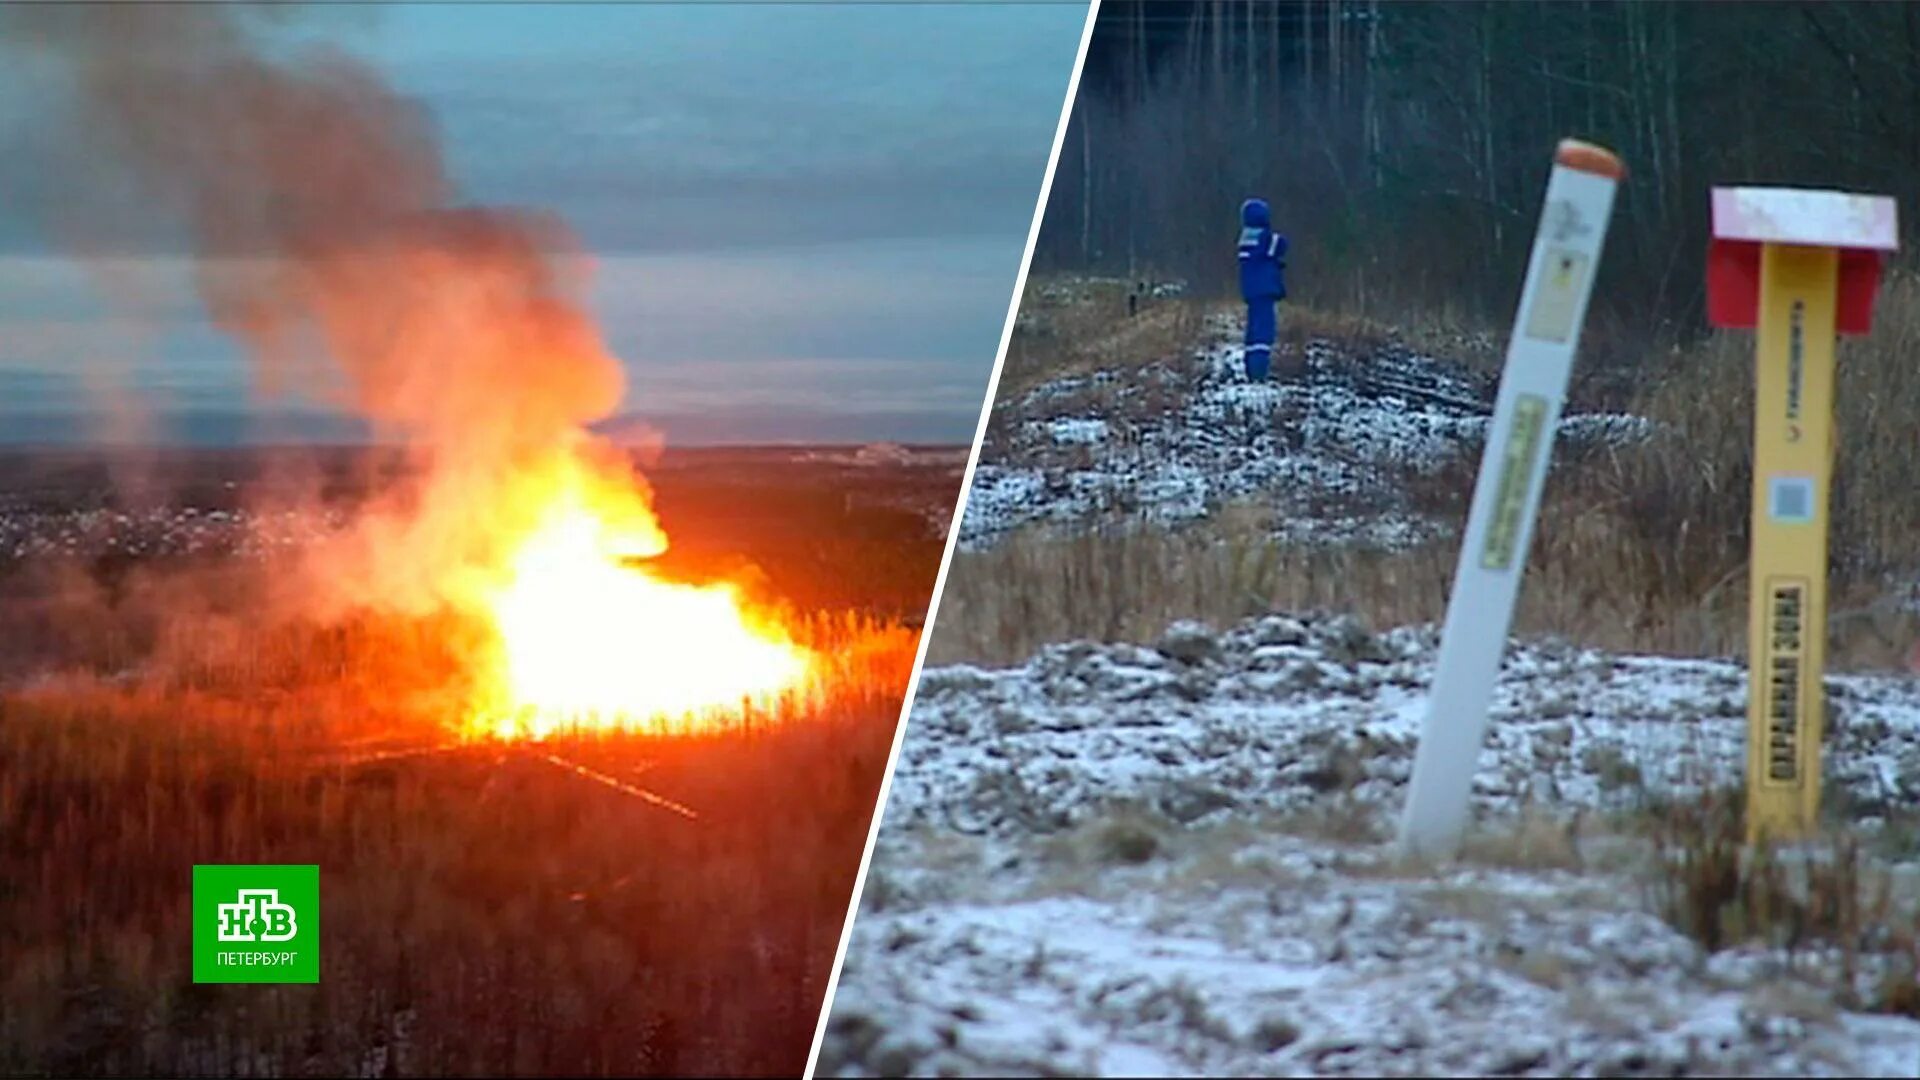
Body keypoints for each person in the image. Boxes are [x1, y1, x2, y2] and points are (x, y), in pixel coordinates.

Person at [1236, 197, 1288, 381]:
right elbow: (1281, 244)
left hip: (1251, 291)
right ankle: (1259, 370)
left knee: (1253, 329)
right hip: (1265, 289)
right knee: (1263, 330)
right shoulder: (1264, 238)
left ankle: (1251, 367)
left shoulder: (1245, 238)